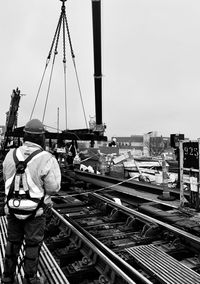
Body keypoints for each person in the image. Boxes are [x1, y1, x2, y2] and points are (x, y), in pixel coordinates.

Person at [1, 119, 61, 284]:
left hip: (13, 209)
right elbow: (54, 188)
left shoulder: (9, 155)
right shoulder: (47, 158)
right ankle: (30, 278)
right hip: (35, 212)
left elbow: (7, 179)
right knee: (33, 244)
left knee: (12, 241)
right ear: (41, 137)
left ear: (25, 136)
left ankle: (7, 276)